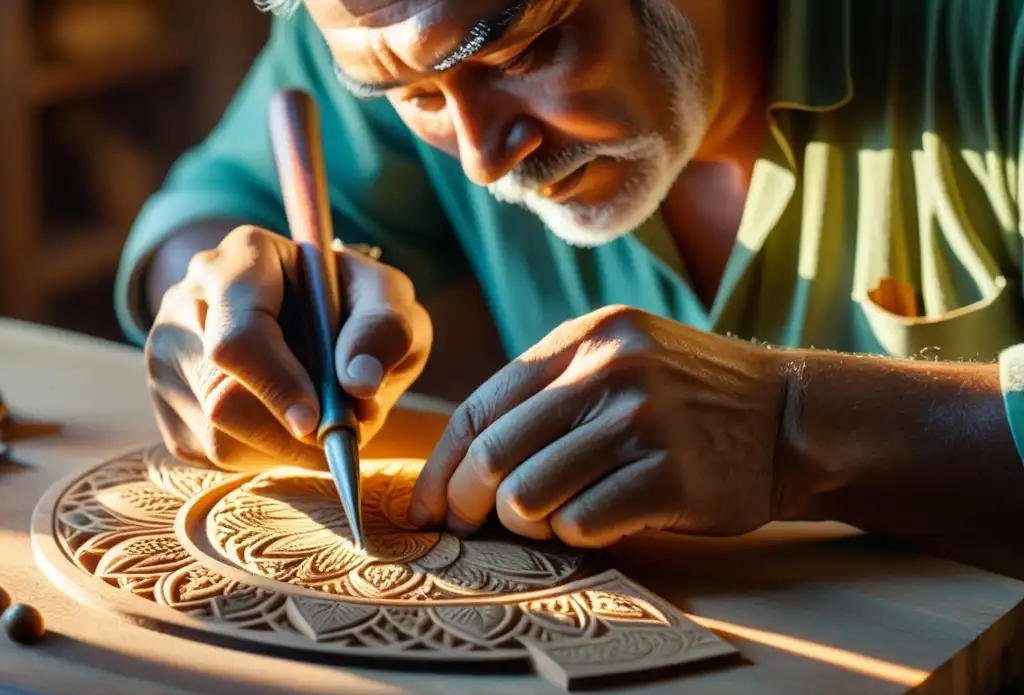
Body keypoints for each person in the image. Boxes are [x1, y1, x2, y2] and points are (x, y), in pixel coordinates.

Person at [117, 0, 1024, 555]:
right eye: (417, 101)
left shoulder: (992, 35)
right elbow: (216, 202)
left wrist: (791, 427)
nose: (481, 159)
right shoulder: (392, 33)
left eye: (518, 54)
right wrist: (221, 307)